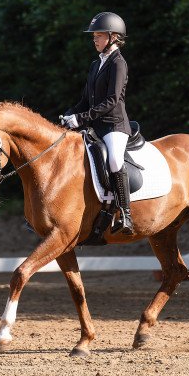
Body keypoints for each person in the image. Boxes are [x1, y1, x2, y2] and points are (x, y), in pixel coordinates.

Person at [62, 12, 133, 235]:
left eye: (99, 36)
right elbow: (85, 100)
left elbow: (112, 100)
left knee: (113, 160)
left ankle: (125, 213)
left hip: (114, 126)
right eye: (94, 37)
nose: (95, 40)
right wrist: (69, 115)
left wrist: (81, 119)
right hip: (95, 126)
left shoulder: (118, 63)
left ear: (113, 37)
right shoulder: (96, 64)